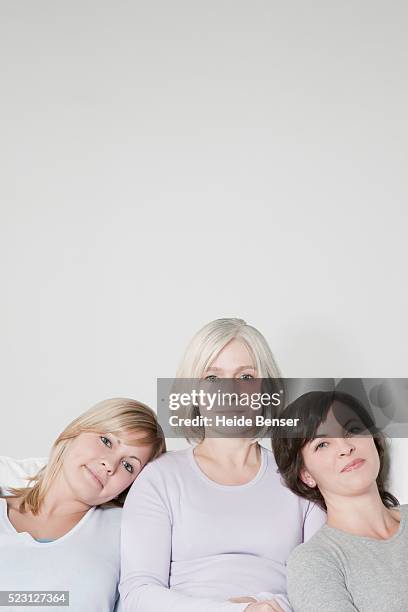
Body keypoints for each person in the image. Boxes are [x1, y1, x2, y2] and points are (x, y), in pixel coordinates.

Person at [120, 318, 326, 612]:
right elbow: (137, 595)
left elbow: (321, 586)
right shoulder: (161, 478)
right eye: (213, 378)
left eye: (245, 377)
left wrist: (271, 606)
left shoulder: (300, 477)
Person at [0, 398, 165, 612]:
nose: (110, 465)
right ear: (77, 430)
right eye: (107, 441)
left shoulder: (127, 532)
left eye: (128, 465)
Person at [272, 390, 407, 612]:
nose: (346, 448)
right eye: (322, 444)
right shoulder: (314, 561)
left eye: (353, 430)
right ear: (306, 475)